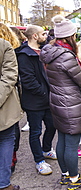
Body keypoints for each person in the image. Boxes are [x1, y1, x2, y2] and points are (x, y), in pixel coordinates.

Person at [40, 15, 81, 189]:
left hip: (58, 101)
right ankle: (74, 179)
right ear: (69, 36)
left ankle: (65, 175)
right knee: (71, 143)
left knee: (63, 139)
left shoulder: (51, 52)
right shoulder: (66, 56)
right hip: (70, 104)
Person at [15, 25, 57, 175]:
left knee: (52, 126)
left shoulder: (45, 51)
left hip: (48, 98)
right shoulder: (24, 55)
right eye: (43, 34)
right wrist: (46, 94)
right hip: (34, 101)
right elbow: (28, 81)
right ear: (34, 36)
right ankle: (39, 161)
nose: (46, 36)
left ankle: (46, 149)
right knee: (35, 131)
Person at [0, 23, 23, 190]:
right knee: (6, 141)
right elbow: (10, 76)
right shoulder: (3, 45)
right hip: (4, 107)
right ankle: (3, 184)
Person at [8, 27, 26, 173]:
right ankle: (10, 160)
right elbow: (11, 79)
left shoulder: (16, 53)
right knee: (11, 132)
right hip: (9, 99)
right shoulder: (14, 53)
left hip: (10, 98)